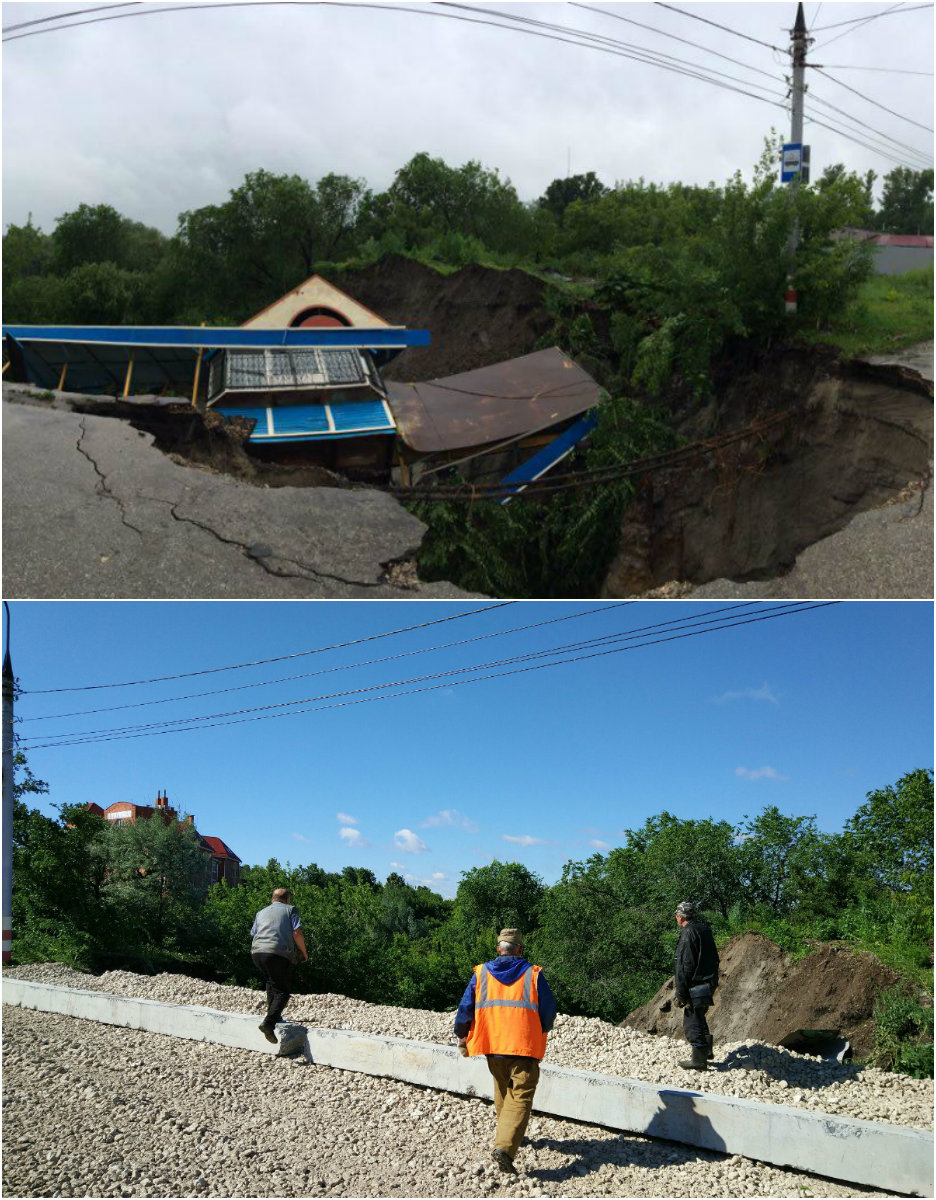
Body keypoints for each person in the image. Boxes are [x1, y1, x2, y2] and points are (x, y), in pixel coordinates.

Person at [454, 928, 556, 1175]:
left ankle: (508, 1132)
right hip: (523, 1045)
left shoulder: (481, 973)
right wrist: (543, 1027)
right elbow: (548, 1010)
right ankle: (505, 1148)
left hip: (493, 1045)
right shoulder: (533, 974)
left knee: (503, 1088)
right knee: (521, 1094)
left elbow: (465, 1008)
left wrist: (461, 1033)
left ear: (499, 949)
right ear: (520, 949)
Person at [250, 887, 308, 1043]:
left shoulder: (260, 912)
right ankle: (268, 1023)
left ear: (272, 899)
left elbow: (254, 933)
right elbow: (297, 933)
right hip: (276, 953)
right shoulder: (291, 910)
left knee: (272, 982)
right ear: (287, 899)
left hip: (257, 952)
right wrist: (303, 951)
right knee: (283, 991)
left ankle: (274, 1015)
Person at [673, 900, 719, 1071]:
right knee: (700, 1015)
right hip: (709, 980)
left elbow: (685, 965)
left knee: (691, 1019)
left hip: (696, 983)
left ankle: (699, 1060)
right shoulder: (704, 930)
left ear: (680, 917)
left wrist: (681, 992)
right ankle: (707, 1052)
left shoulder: (687, 934)